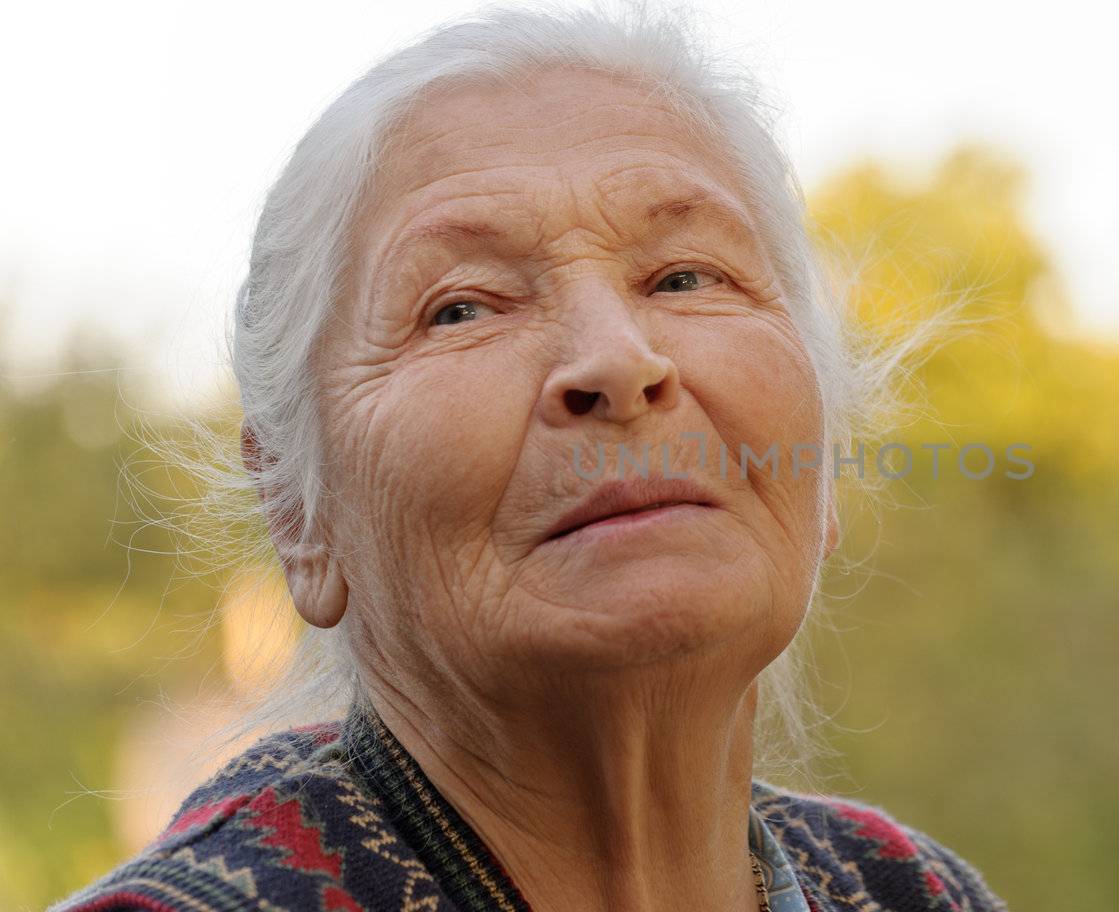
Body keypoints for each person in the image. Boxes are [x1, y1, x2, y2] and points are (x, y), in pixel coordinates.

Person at [53, 5, 1006, 911]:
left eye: (685, 276)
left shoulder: (913, 893)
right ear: (300, 514)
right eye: (463, 307)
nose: (619, 360)